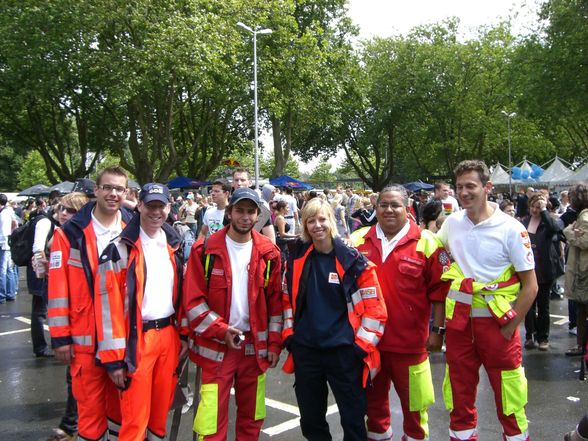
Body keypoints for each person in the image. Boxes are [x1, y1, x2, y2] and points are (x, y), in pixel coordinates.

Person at [436, 160, 537, 441]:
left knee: (510, 400)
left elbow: (531, 286)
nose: (464, 192)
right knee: (459, 398)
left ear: (487, 187)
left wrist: (511, 325)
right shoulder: (453, 223)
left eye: (470, 186)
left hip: (497, 327)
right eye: (459, 187)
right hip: (459, 327)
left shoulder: (511, 228)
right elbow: (430, 252)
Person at [282, 198, 387, 441]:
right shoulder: (297, 258)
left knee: (353, 420)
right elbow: (287, 300)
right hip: (307, 352)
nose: (317, 225)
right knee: (311, 421)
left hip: (344, 353)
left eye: (322, 219)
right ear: (304, 225)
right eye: (311, 221)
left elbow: (376, 310)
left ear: (332, 221)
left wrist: (359, 347)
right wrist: (290, 337)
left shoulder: (355, 262)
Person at [351, 185, 450, 441]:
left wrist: (438, 332)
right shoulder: (357, 241)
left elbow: (440, 293)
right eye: (383, 205)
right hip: (370, 346)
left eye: (395, 205)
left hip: (411, 348)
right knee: (374, 413)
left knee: (416, 413)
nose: (389, 210)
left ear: (407, 209)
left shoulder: (428, 242)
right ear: (376, 208)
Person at [183, 187, 283, 440]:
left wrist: (273, 345)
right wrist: (221, 330)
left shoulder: (270, 254)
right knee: (210, 424)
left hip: (254, 349)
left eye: (251, 211)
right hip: (217, 349)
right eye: (240, 210)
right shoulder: (203, 250)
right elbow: (193, 302)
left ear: (258, 215)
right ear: (229, 212)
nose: (245, 216)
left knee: (252, 419)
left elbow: (275, 305)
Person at [95, 183, 188, 441]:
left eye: (161, 206)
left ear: (169, 208)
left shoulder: (175, 245)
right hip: (137, 341)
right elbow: (107, 309)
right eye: (150, 205)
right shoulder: (118, 249)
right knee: (134, 420)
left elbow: (182, 295)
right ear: (140, 206)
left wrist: (183, 335)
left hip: (168, 336)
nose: (156, 212)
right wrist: (113, 360)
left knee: (159, 417)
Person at [48, 166, 133, 441]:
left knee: (121, 415)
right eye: (107, 187)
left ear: (126, 193)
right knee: (90, 417)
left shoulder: (133, 229)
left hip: (121, 340)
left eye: (119, 189)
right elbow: (58, 287)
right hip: (85, 341)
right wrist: (60, 337)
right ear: (95, 190)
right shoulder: (70, 233)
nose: (113, 194)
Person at [45, 192, 89, 441]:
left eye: (70, 210)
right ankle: (72, 424)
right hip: (71, 322)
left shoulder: (80, 239)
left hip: (83, 322)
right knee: (75, 377)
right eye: (61, 209)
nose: (63, 214)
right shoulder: (59, 237)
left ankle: (71, 425)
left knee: (79, 377)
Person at [522, 193, 562, 351]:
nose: (535, 209)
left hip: (544, 271)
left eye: (538, 207)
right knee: (528, 306)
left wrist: (544, 210)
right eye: (533, 206)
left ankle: (543, 337)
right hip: (527, 270)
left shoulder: (548, 222)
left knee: (543, 307)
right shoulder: (524, 222)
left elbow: (555, 228)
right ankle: (529, 336)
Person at [27, 197, 60, 357]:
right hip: (40, 272)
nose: (66, 214)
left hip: (46, 272)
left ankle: (48, 345)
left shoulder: (53, 223)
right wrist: (42, 274)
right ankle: (40, 347)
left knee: (46, 309)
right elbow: (37, 249)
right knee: (40, 310)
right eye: (65, 210)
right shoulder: (45, 222)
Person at [563, 184, 588, 357]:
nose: (570, 199)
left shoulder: (584, 216)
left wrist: (569, 232)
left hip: (584, 271)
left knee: (582, 309)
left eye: (572, 196)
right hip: (582, 269)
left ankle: (582, 346)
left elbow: (585, 241)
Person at [232, 168, 276, 243]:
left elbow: (271, 241)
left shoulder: (261, 209)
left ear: (250, 183)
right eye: (236, 180)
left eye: (243, 180)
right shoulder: (229, 206)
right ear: (232, 183)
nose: (239, 183)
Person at [0, 193, 18, 304]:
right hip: (8, 242)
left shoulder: (2, 214)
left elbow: (2, 231)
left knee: (2, 270)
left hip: (2, 243)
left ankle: (2, 295)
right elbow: (15, 224)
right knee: (9, 269)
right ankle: (11, 293)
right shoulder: (10, 211)